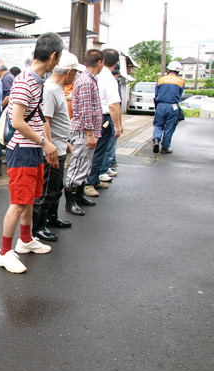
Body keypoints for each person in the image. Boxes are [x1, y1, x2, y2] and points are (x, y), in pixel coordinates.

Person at [0, 32, 63, 274]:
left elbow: (39, 117)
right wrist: (45, 143)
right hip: (22, 149)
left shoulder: (37, 80)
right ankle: (3, 252)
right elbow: (17, 121)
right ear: (53, 56)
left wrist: (47, 144)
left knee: (29, 200)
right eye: (59, 57)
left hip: (33, 148)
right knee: (18, 202)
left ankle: (25, 240)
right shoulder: (25, 81)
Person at [32, 51, 85, 242]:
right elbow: (44, 120)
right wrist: (50, 147)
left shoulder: (57, 89)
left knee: (56, 187)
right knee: (47, 190)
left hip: (60, 146)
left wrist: (66, 142)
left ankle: (51, 218)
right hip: (52, 150)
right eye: (76, 72)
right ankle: (38, 227)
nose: (76, 76)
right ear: (69, 71)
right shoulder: (50, 90)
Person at [63, 49, 104, 216]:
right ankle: (70, 201)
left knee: (85, 164)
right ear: (99, 62)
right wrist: (90, 133)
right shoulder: (87, 81)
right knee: (78, 164)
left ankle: (78, 196)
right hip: (83, 131)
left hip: (85, 130)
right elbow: (86, 110)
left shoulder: (86, 79)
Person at [84, 49, 123, 198]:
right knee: (98, 151)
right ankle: (89, 182)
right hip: (103, 117)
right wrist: (118, 126)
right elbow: (114, 105)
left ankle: (93, 179)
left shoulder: (94, 75)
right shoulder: (109, 78)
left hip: (95, 117)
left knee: (95, 152)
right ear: (115, 63)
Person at [152, 61, 185, 154]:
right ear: (178, 71)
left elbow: (156, 94)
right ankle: (165, 147)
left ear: (169, 69)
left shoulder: (161, 80)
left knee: (158, 125)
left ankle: (156, 139)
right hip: (173, 106)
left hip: (161, 105)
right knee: (170, 127)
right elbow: (180, 95)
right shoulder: (181, 82)